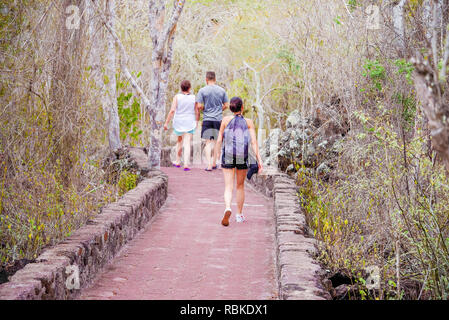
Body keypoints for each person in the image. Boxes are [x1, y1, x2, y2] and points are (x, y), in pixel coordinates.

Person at [214, 96, 263, 227]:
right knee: (240, 186)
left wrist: (217, 154)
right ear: (242, 108)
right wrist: (259, 159)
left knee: (228, 186)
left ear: (231, 107)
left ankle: (228, 207)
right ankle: (239, 215)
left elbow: (219, 140)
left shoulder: (225, 120)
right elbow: (253, 142)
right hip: (242, 156)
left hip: (228, 155)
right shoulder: (249, 122)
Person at [195, 71, 229, 171]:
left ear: (206, 79)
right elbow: (226, 105)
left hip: (207, 119)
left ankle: (209, 165)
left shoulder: (202, 91)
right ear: (215, 79)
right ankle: (214, 163)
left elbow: (199, 106)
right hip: (218, 120)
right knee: (216, 142)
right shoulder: (222, 91)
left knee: (208, 143)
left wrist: (205, 109)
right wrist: (219, 109)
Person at [164, 80, 196, 171]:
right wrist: (196, 121)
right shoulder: (193, 98)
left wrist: (166, 123)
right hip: (189, 122)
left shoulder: (177, 97)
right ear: (189, 88)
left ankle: (178, 161)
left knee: (179, 142)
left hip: (179, 122)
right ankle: (186, 163)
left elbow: (172, 110)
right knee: (187, 143)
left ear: (181, 88)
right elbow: (196, 111)